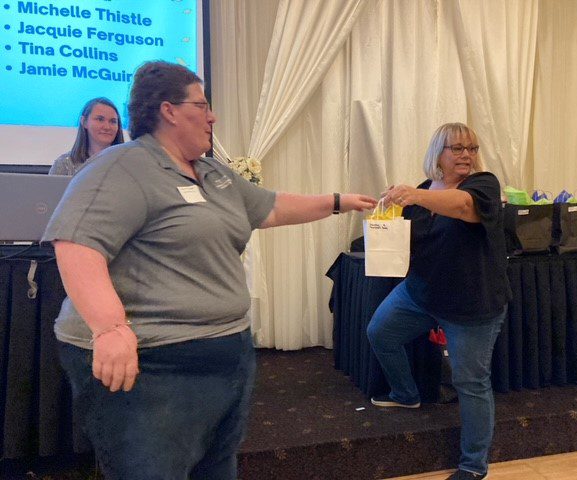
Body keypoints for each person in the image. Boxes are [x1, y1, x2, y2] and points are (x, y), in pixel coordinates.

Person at [42, 61, 377, 480]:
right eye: (202, 105)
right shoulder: (120, 166)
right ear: (169, 110)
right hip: (154, 366)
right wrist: (109, 329)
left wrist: (337, 201)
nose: (212, 116)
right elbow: (76, 243)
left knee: (215, 468)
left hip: (223, 356)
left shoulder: (211, 172)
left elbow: (269, 206)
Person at [366, 123, 511, 480]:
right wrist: (381, 216)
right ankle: (405, 393)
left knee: (471, 382)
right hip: (421, 293)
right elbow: (410, 239)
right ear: (438, 153)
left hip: (471, 304)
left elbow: (463, 207)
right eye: (457, 148)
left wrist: (413, 197)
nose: (466, 155)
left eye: (472, 149)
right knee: (380, 333)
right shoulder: (422, 191)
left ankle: (474, 466)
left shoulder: (483, 185)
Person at [48, 97, 125, 175]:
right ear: (84, 122)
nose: (107, 127)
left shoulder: (127, 165)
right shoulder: (63, 165)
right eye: (100, 119)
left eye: (113, 121)